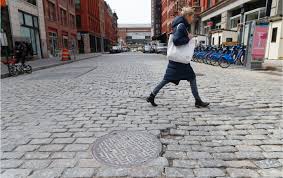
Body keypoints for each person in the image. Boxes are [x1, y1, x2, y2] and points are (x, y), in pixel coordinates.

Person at [146, 6, 209, 108]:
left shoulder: (180, 25)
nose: (192, 19)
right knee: (190, 78)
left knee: (168, 79)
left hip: (177, 61)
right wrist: (188, 38)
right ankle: (198, 101)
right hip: (180, 62)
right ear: (188, 16)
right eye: (192, 17)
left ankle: (151, 96)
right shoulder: (181, 26)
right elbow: (176, 41)